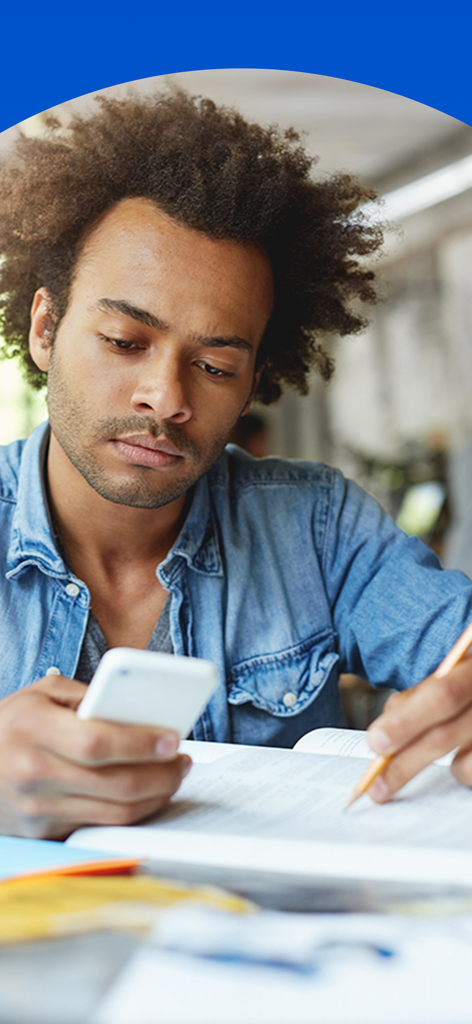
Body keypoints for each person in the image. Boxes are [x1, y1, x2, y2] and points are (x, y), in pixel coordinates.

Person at [0, 89, 472, 840]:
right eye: (125, 341)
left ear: (254, 382)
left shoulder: (319, 528)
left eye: (216, 366)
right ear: (47, 328)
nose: (165, 397)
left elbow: (458, 648)